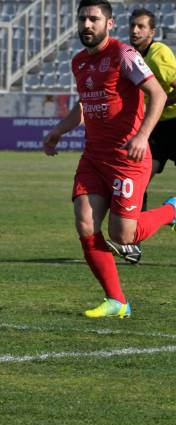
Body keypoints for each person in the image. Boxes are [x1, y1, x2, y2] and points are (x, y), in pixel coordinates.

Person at [42, 0, 175, 319]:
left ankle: (172, 209)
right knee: (85, 222)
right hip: (94, 156)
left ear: (109, 24)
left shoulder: (124, 55)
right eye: (82, 19)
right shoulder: (78, 63)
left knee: (123, 234)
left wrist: (142, 136)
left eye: (94, 19)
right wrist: (58, 131)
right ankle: (117, 301)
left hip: (127, 158)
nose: (87, 25)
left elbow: (157, 93)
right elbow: (85, 104)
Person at [109, 9, 176, 264]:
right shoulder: (132, 55)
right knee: (139, 179)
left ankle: (172, 209)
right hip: (156, 128)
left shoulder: (159, 55)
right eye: (133, 26)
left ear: (152, 31)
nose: (135, 31)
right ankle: (132, 242)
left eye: (141, 27)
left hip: (175, 124)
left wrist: (161, 101)